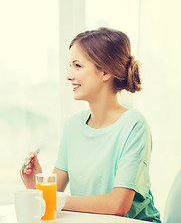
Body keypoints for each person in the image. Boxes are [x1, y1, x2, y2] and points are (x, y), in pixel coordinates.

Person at [21, 27, 161, 222]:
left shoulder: (134, 125)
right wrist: (36, 186)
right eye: (70, 65)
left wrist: (51, 198)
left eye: (77, 66)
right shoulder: (72, 126)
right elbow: (53, 196)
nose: (69, 75)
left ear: (105, 72)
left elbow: (118, 205)